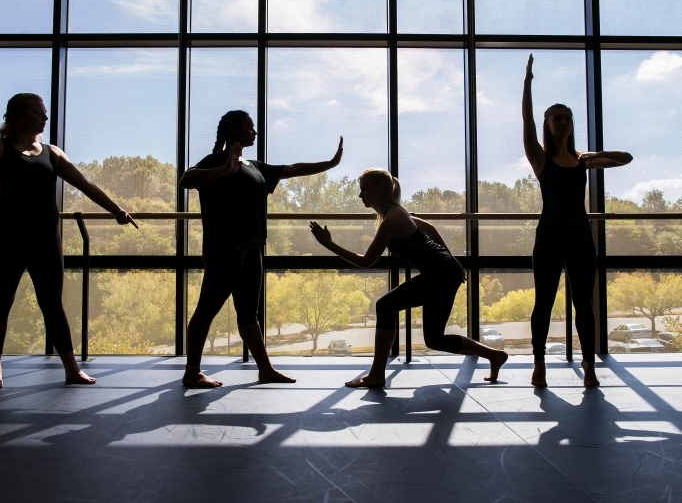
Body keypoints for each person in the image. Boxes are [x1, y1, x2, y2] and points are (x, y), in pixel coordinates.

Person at [0, 93, 138, 389]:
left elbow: (85, 184)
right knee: (0, 302)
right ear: (21, 116)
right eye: (39, 113)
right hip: (6, 237)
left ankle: (71, 368)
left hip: (46, 239)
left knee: (52, 304)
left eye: (45, 112)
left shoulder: (52, 153)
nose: (45, 118)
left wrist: (117, 211)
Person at [179, 110, 343, 388]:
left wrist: (330, 163)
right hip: (225, 248)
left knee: (248, 314)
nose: (254, 132)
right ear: (233, 130)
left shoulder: (254, 166)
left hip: (252, 247)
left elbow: (292, 169)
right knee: (206, 309)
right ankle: (192, 371)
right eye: (248, 127)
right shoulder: (218, 160)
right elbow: (186, 180)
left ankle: (265, 369)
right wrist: (225, 170)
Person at [309, 168, 509, 388]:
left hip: (441, 274)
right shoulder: (396, 214)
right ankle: (494, 355)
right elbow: (430, 228)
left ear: (381, 188)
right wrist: (452, 261)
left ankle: (376, 374)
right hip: (444, 272)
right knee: (434, 339)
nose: (360, 195)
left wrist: (329, 245)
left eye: (365, 189)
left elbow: (366, 261)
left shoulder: (393, 218)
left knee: (384, 306)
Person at [523, 54, 632, 387]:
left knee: (584, 303)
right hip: (550, 236)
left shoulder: (583, 161)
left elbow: (625, 158)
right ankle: (539, 362)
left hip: (581, 236)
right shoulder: (541, 159)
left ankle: (588, 365)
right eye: (558, 118)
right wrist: (527, 84)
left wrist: (588, 157)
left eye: (568, 118)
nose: (564, 122)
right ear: (549, 124)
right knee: (544, 300)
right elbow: (527, 122)